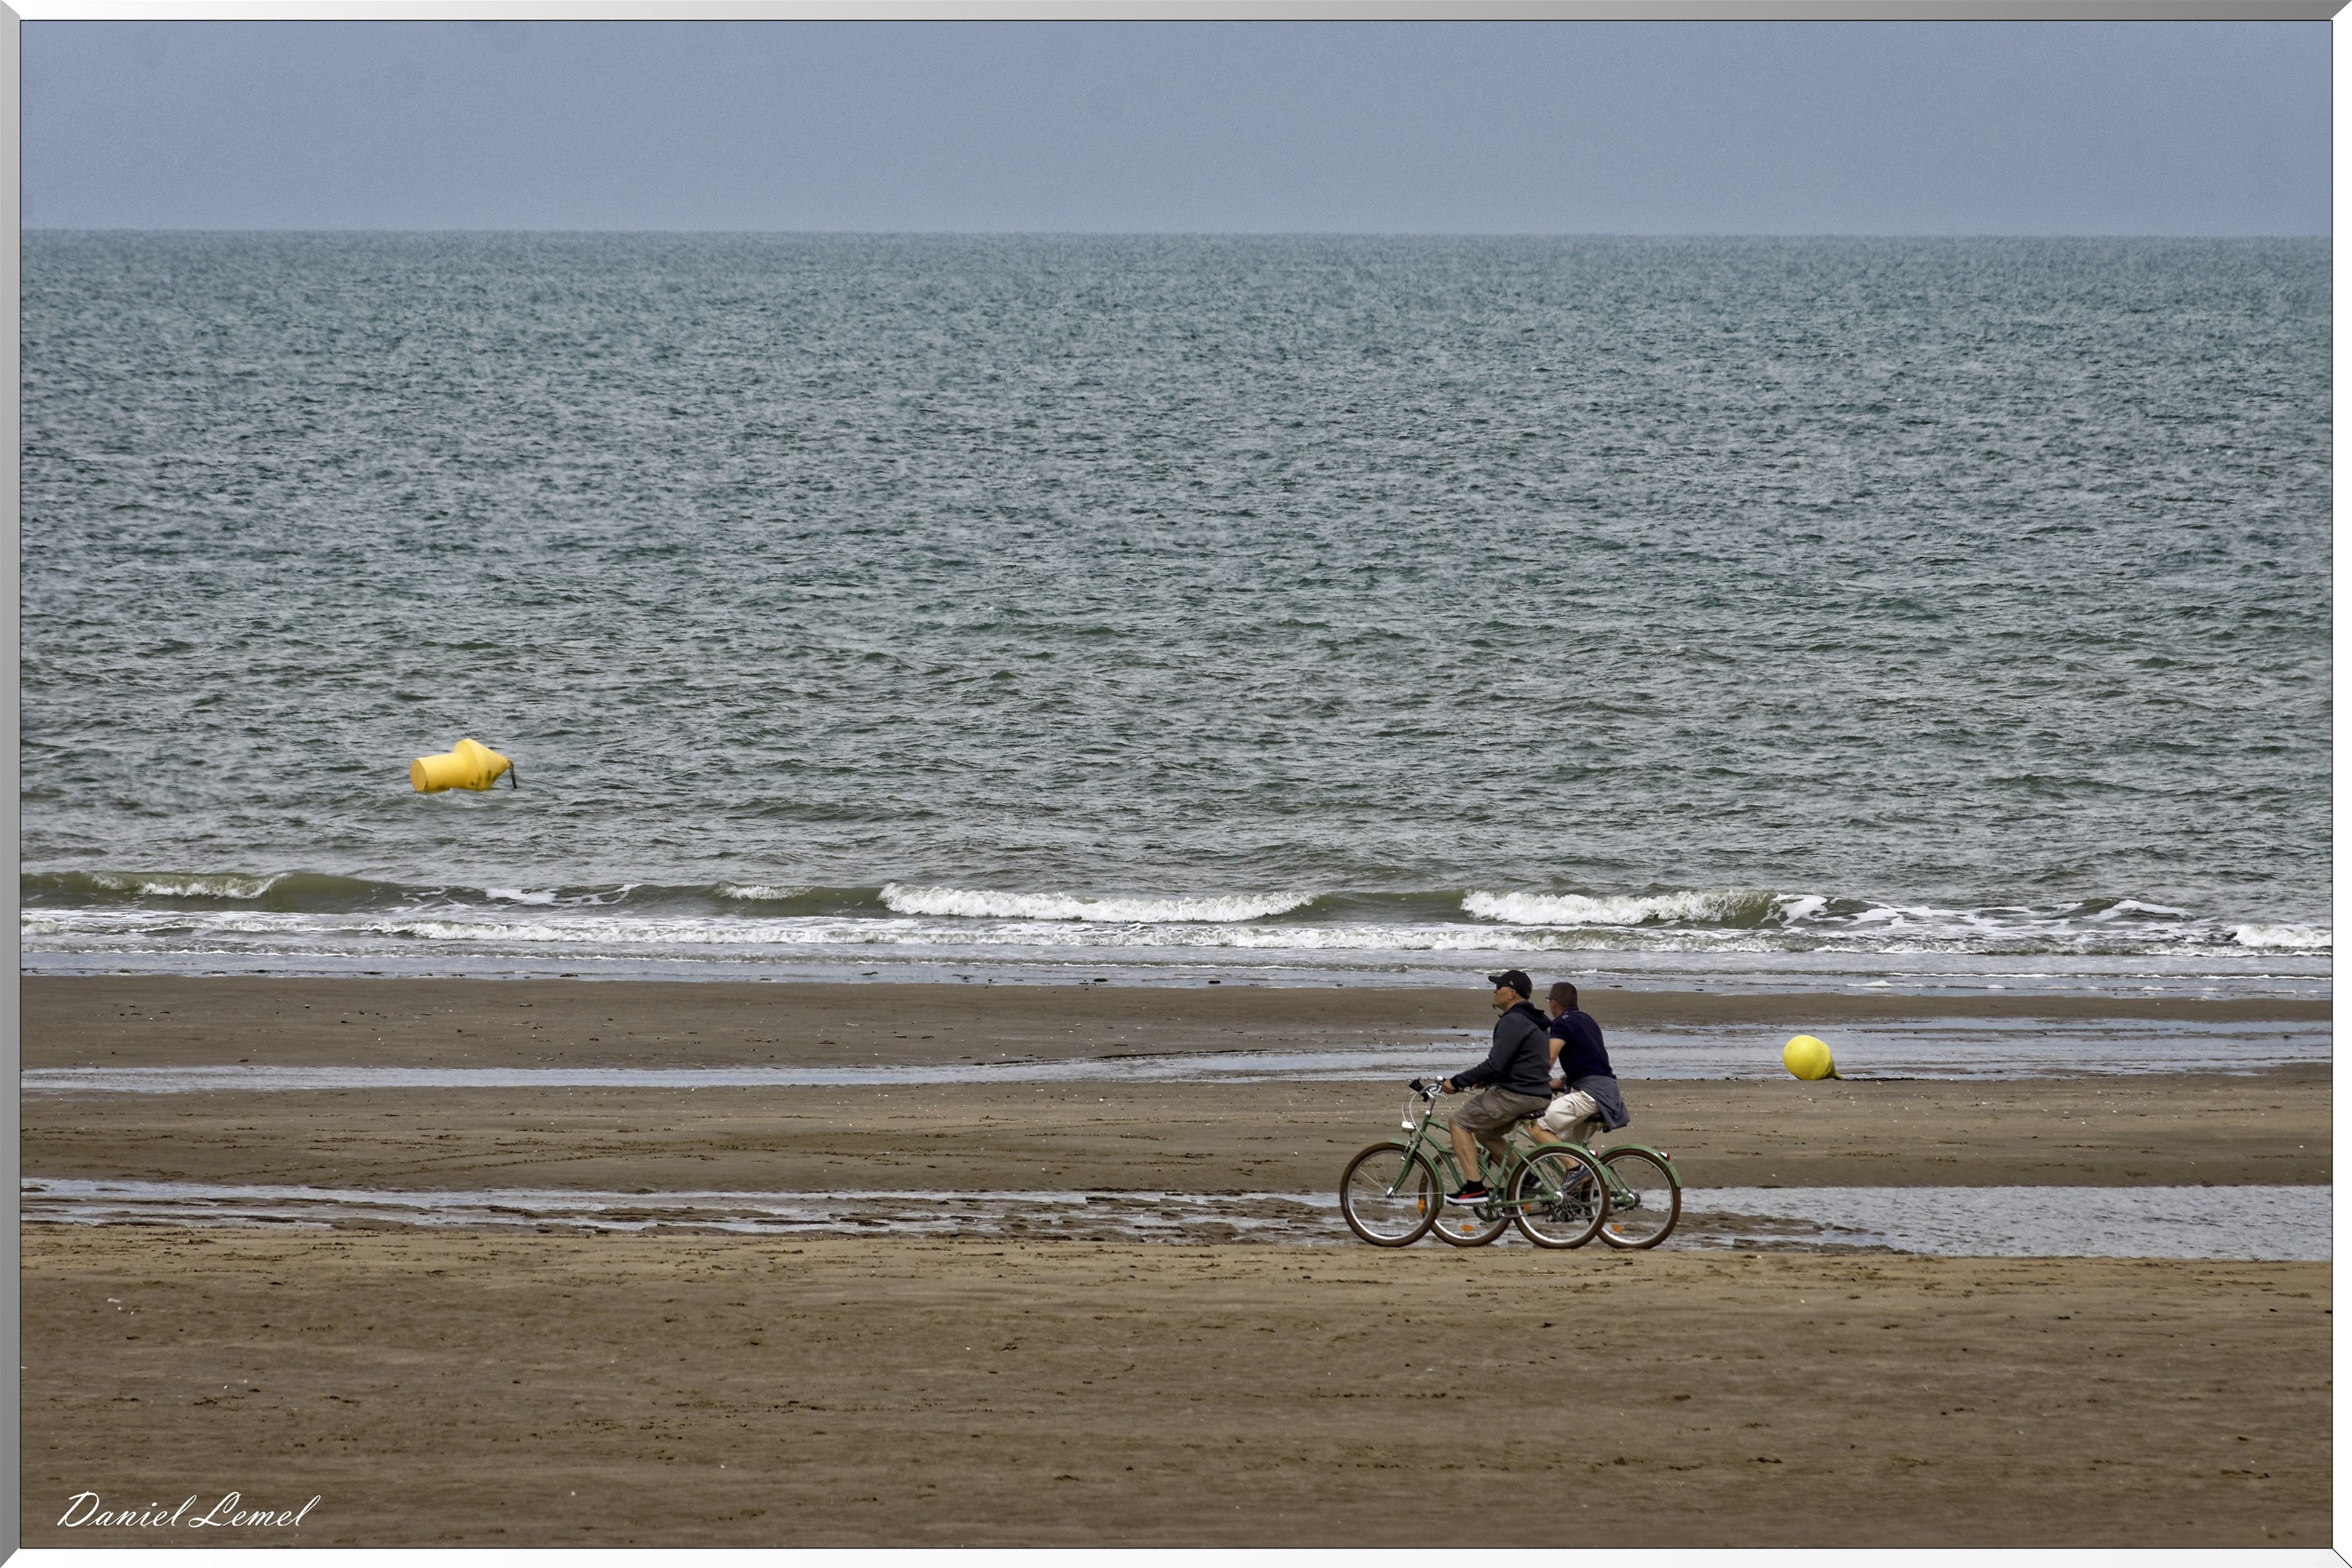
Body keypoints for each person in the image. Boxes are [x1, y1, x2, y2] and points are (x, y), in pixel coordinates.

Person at [1436, 969, 1555, 1206]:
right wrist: (1489, 1081)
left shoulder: (1513, 1021)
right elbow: (1521, 1063)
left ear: (1511, 993)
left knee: (1458, 1122)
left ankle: (1474, 1188)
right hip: (1537, 1093)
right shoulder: (1534, 1020)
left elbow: (1494, 1064)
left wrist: (1456, 1082)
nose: (1494, 991)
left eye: (1499, 987)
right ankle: (1526, 1179)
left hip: (1518, 1094)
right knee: (1485, 1132)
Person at [1530, 980, 1629, 1148]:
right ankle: (1580, 1164)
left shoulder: (1561, 1022)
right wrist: (1559, 1083)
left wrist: (1532, 1081)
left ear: (1553, 1003)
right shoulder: (1588, 1020)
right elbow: (1590, 1061)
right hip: (1608, 1093)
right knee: (1570, 1146)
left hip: (1590, 1094)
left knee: (1536, 1126)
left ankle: (1574, 1166)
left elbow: (1550, 1057)